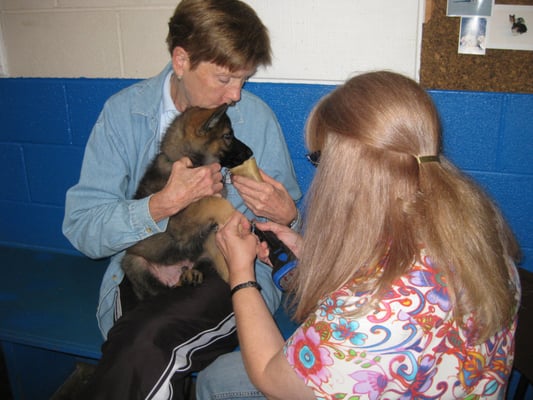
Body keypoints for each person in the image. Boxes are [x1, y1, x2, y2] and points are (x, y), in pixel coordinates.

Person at [211, 71, 522, 399]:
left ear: (345, 169)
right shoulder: (475, 236)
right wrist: (307, 250)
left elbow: (270, 379)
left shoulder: (368, 318)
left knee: (217, 382)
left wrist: (241, 274)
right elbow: (387, 270)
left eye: (319, 159)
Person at [62, 0, 301, 398]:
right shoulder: (124, 114)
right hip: (145, 265)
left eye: (244, 79)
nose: (237, 95)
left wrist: (287, 215)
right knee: (139, 341)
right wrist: (160, 205)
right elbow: (82, 230)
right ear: (181, 59)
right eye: (225, 78)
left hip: (229, 267)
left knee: (143, 343)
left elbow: (292, 229)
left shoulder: (255, 119)